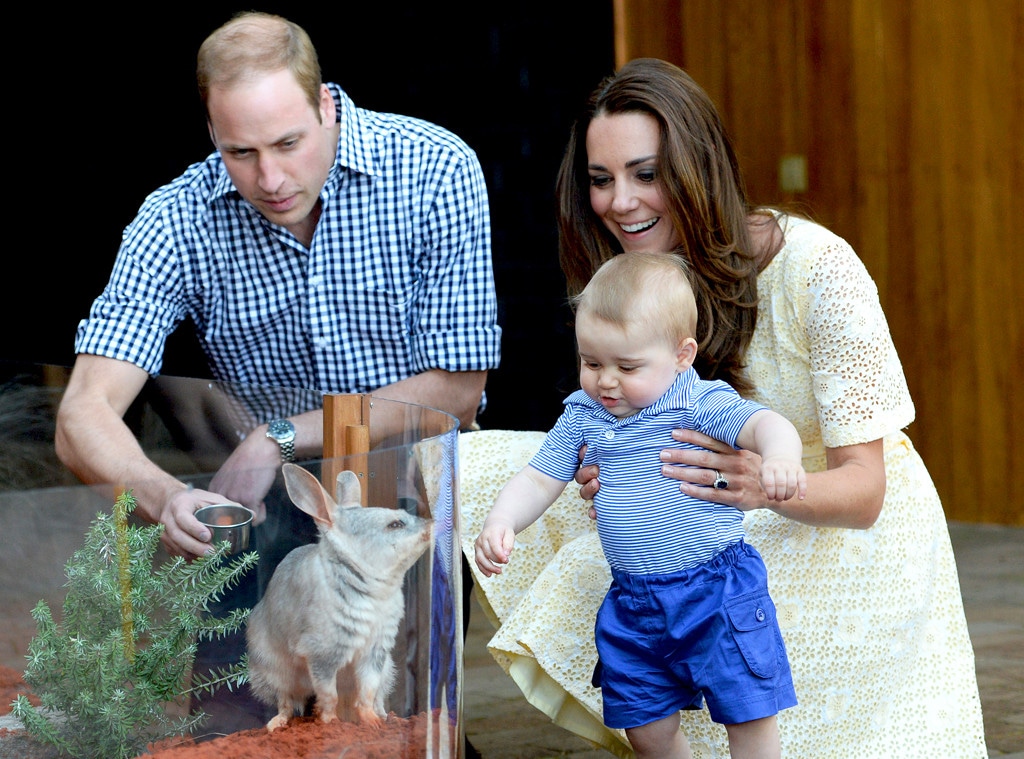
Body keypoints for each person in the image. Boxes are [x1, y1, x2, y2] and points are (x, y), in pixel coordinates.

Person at [459, 58, 987, 758]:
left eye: (646, 174)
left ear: (697, 167)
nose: (620, 201)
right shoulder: (630, 274)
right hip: (696, 511)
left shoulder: (817, 267)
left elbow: (866, 491)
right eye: (601, 178)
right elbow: (619, 419)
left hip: (828, 519)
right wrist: (605, 464)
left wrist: (752, 485)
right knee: (463, 465)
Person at [54, 11, 501, 739]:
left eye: (289, 143)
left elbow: (458, 387)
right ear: (210, 132)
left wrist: (279, 436)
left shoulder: (435, 168)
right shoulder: (176, 219)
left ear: (326, 103)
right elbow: (81, 415)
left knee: (397, 731)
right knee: (232, 728)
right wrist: (166, 495)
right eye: (241, 152)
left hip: (405, 497)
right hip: (263, 519)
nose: (270, 177)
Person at [475, 251, 805, 759]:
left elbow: (765, 424)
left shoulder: (696, 403)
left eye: (627, 366)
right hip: (634, 601)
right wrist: (503, 520)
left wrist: (781, 456)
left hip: (715, 588)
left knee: (748, 708)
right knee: (644, 725)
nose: (606, 380)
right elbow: (540, 478)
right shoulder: (584, 414)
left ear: (681, 355)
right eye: (591, 363)